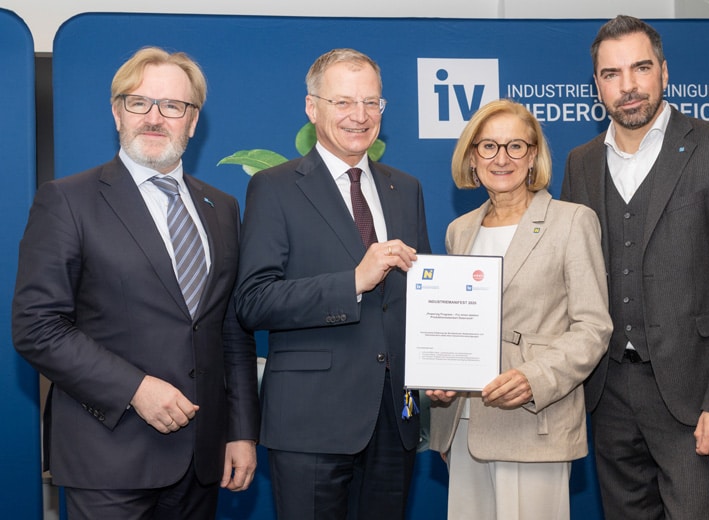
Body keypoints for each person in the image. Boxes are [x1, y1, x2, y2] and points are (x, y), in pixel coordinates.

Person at [11, 47, 260, 519]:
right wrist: (135, 388)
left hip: (202, 461)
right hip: (108, 457)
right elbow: (37, 326)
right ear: (117, 112)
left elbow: (231, 330)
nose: (154, 117)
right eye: (139, 102)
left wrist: (241, 430)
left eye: (173, 106)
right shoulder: (67, 201)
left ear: (193, 121)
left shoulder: (222, 208)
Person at [561, 15, 709, 519]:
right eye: (611, 74)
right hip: (609, 395)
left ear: (664, 72)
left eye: (640, 68)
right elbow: (568, 281)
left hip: (696, 397)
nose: (628, 86)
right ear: (597, 86)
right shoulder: (580, 162)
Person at [234, 48, 431, 519]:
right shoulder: (274, 187)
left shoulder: (405, 188)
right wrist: (354, 282)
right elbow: (253, 301)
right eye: (343, 102)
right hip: (311, 423)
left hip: (394, 419)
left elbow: (420, 298)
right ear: (312, 107)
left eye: (371, 102)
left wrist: (439, 369)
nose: (359, 116)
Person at [426, 99, 613, 520]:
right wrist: (441, 376)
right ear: (472, 157)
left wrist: (534, 379)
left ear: (533, 156)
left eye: (515, 146)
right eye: (489, 146)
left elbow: (593, 327)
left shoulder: (572, 221)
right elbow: (455, 324)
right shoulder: (460, 230)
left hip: (534, 420)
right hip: (464, 424)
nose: (501, 158)